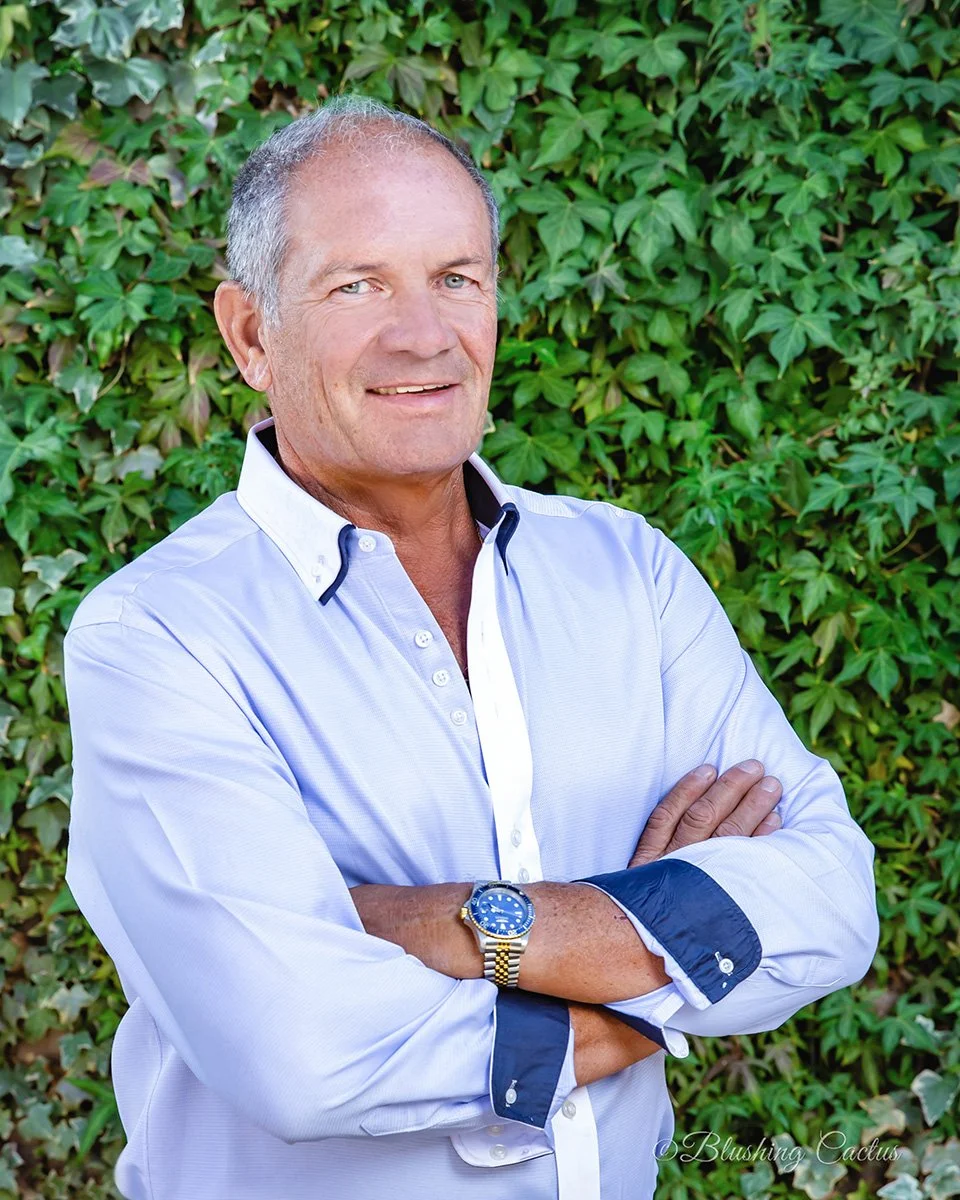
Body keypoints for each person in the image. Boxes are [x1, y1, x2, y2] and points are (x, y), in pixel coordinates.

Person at [63, 95, 879, 1200]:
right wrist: (655, 977)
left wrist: (454, 924)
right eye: (357, 286)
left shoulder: (627, 573)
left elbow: (830, 901)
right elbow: (304, 1052)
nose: (425, 335)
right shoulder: (158, 636)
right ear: (251, 334)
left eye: (457, 277)